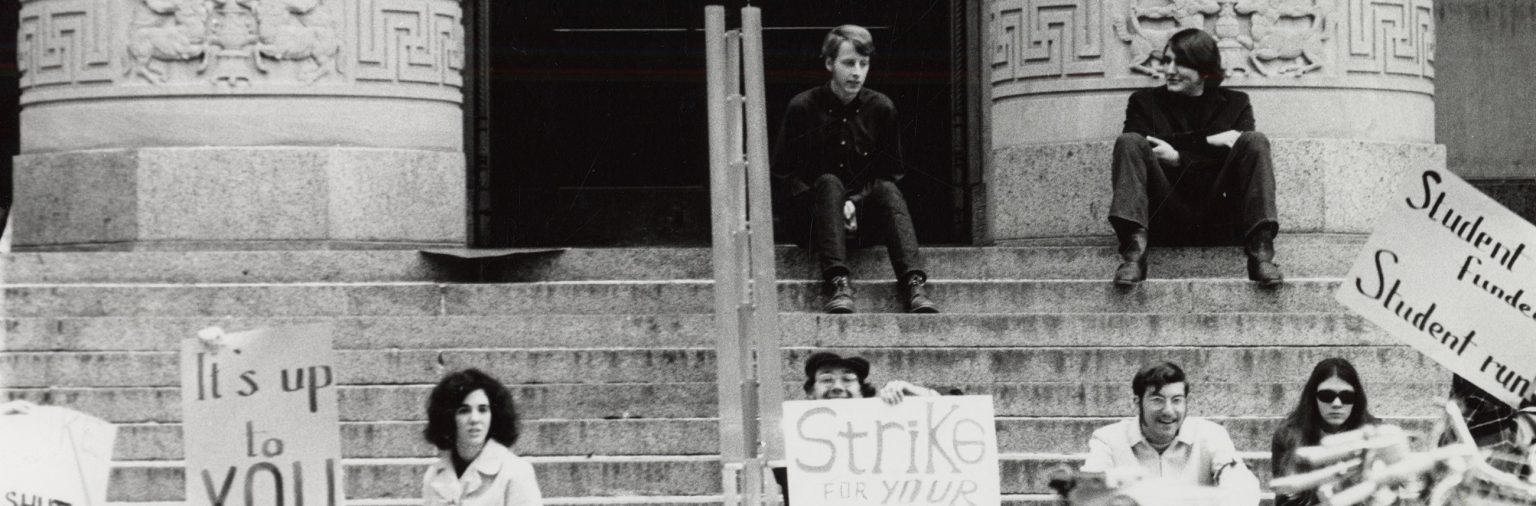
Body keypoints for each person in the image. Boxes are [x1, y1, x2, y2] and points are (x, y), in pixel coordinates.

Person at [771, 25, 938, 314]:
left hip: (863, 222)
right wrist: (831, 206)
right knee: (829, 182)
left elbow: (892, 174)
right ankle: (838, 283)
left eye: (864, 64)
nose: (857, 72)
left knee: (887, 190)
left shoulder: (882, 109)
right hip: (813, 224)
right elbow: (783, 176)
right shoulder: (802, 108)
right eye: (848, 63)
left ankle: (913, 284)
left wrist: (854, 204)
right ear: (828, 63)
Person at [1108, 28, 1283, 287]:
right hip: (1164, 216)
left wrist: (1178, 156)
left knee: (1254, 141)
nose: (1169, 70)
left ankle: (1261, 255)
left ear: (1204, 69)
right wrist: (1208, 143)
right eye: (1167, 61)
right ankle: (1134, 254)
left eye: (1180, 63)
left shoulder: (1236, 103)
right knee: (1129, 142)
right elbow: (1141, 147)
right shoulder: (1144, 102)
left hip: (1221, 217)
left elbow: (1241, 153)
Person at [773, 352, 950, 505]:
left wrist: (913, 392)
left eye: (848, 380)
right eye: (826, 379)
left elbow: (948, 424)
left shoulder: (889, 430)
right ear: (810, 392)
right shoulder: (794, 438)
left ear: (862, 391)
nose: (837, 387)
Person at [1082, 361, 1259, 506]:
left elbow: (1241, 484)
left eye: (1177, 400)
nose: (1168, 410)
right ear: (1137, 402)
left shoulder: (1211, 435)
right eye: (1157, 400)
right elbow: (1089, 492)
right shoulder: (1107, 440)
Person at [422, 368, 543, 506]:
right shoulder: (433, 475)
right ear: (449, 417)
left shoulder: (516, 472)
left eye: (483, 410)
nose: (475, 419)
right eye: (464, 411)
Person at [1269, 358, 1380, 506]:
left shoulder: (1375, 434)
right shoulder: (1288, 435)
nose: (1337, 404)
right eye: (1327, 395)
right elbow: (1284, 500)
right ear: (1313, 397)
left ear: (1356, 399)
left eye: (1347, 397)